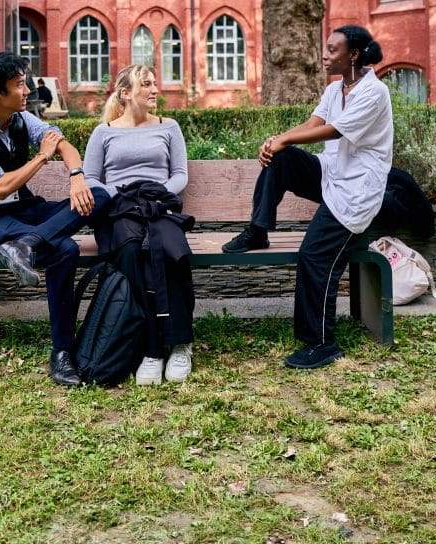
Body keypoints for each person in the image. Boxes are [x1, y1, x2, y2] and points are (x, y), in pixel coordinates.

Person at [222, 25, 393, 370]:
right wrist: (277, 141)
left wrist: (285, 140)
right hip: (331, 174)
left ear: (354, 55)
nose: (325, 55)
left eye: (332, 50)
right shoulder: (335, 89)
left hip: (356, 191)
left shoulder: (374, 93)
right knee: (282, 158)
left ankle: (321, 343)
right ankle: (259, 229)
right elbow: (315, 121)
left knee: (314, 255)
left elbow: (334, 130)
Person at [0, 52, 111, 387]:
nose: (27, 91)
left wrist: (78, 176)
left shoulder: (24, 119)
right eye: (19, 85)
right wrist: (42, 156)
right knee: (65, 249)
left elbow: (64, 145)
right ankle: (63, 353)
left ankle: (27, 245)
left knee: (100, 195)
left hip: (28, 213)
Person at [83, 65, 195, 386]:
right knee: (131, 251)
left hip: (159, 205)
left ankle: (180, 343)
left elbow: (179, 175)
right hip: (120, 209)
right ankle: (151, 347)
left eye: (155, 83)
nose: (155, 89)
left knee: (169, 251)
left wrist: (158, 194)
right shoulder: (104, 132)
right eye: (146, 84)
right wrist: (119, 195)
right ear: (126, 93)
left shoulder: (169, 127)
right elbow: (91, 179)